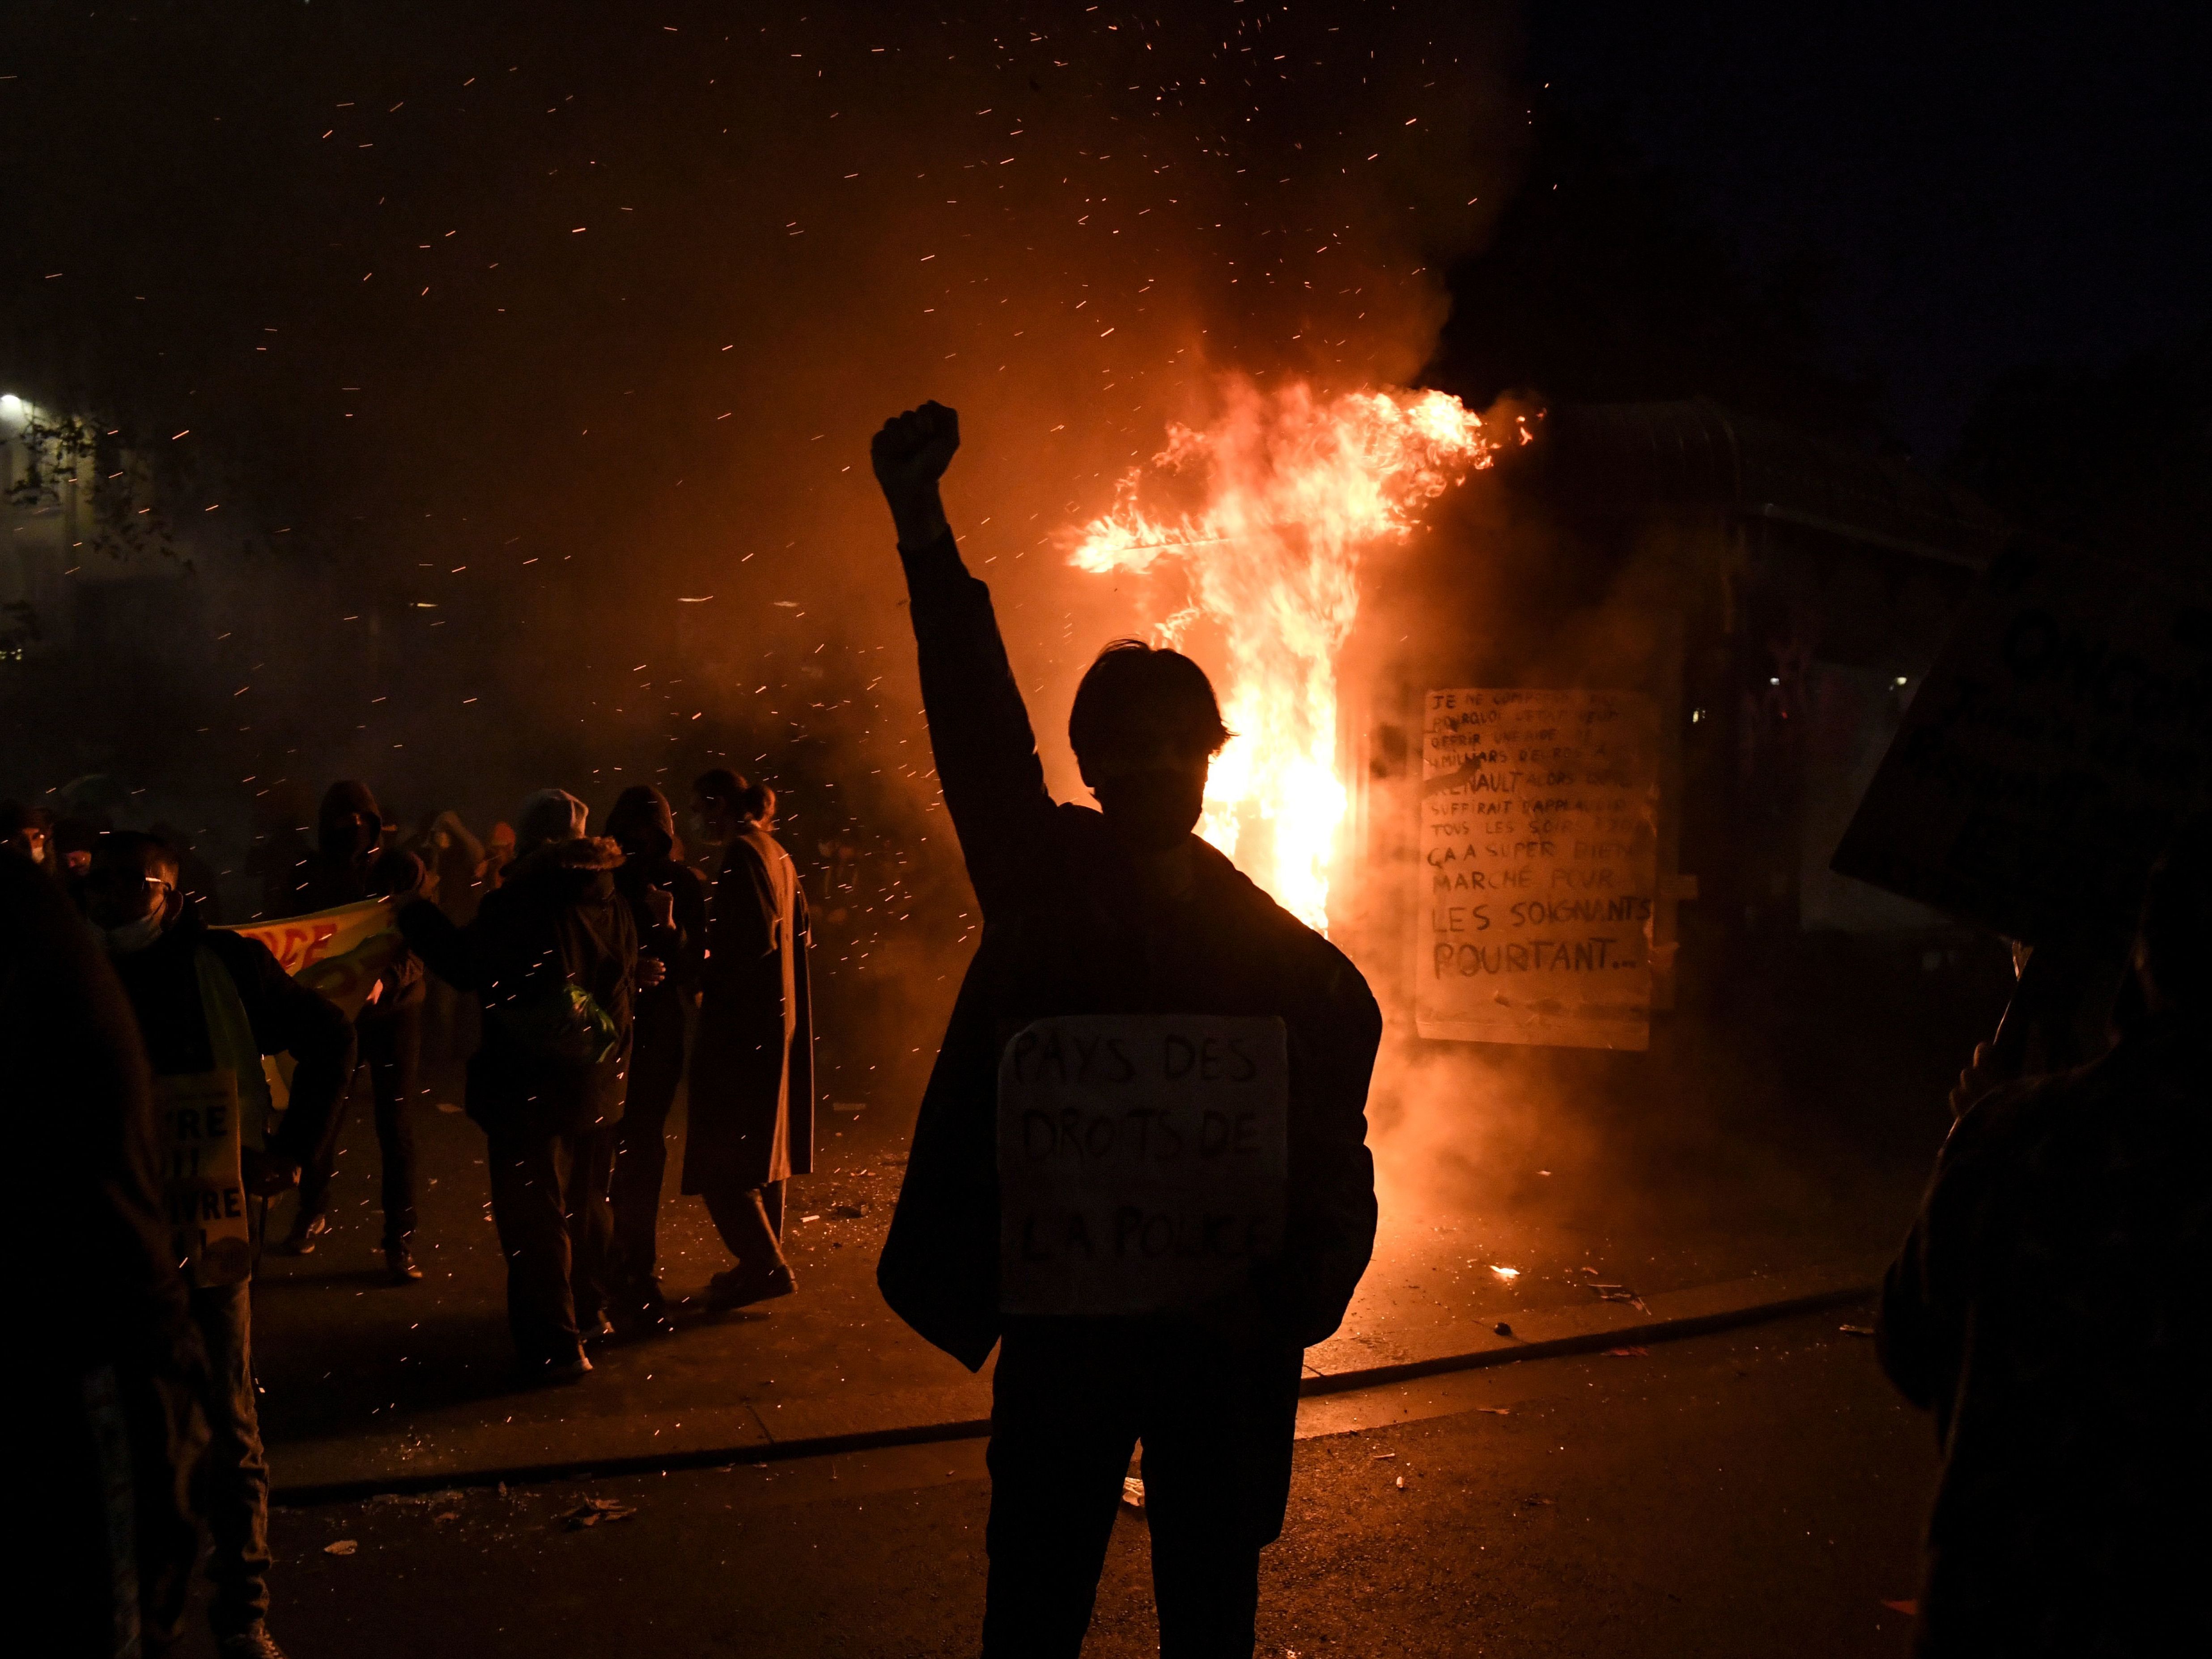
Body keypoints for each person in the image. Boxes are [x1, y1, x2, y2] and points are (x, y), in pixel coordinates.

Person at [870, 402, 1382, 1658]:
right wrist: (923, 530)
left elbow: (1333, 1155)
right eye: (1126, 751)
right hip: (1068, 1342)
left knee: (1209, 1612)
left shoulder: (1293, 971)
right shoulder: (1046, 886)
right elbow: (980, 735)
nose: (1154, 769)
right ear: (1090, 768)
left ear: (1212, 764)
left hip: (1220, 1350)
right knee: (1035, 1604)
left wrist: (1297, 1291)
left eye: (1176, 748)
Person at [1880, 814, 2211, 1655]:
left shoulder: (2015, 1134)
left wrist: (1988, 1130)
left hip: (1996, 1607)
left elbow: (1911, 1347)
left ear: (2145, 955)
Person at [85, 830, 355, 1659]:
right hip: (109, 1237)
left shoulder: (225, 966)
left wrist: (294, 1149)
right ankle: (135, 1614)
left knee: (229, 1420)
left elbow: (330, 1035)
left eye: (139, 883)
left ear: (172, 892)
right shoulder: (74, 974)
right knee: (120, 1433)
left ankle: (243, 1613)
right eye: (108, 883)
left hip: (208, 1234)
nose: (120, 897)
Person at [9, 840, 209, 1657]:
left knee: (105, 1623)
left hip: (93, 1342)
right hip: (76, 1338)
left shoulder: (28, 942)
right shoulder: (43, 936)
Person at [400, 789, 647, 1379]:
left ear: (536, 843)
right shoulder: (612, 900)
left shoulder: (521, 904)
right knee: (588, 1205)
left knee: (533, 1214)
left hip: (527, 1084)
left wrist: (413, 911)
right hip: (598, 1078)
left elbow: (464, 965)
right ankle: (591, 1315)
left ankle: (553, 1344)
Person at [282, 779, 427, 1278]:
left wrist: (386, 981)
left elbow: (418, 940)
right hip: (333, 1014)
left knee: (396, 1125)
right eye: (340, 827)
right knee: (323, 1116)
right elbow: (294, 934)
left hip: (394, 1014)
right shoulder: (312, 872)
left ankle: (399, 1239)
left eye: (358, 824)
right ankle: (311, 1210)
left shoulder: (401, 868)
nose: (351, 834)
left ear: (373, 823)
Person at [686, 767, 814, 1310]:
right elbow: (803, 931)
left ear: (717, 804)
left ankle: (766, 1264)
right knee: (766, 1151)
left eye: (699, 808)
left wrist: (691, 955)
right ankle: (761, 1263)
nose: (697, 820)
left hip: (744, 1029)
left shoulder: (742, 854)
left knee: (724, 1155)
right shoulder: (778, 852)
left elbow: (748, 942)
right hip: (777, 1024)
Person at [603, 784, 708, 1327]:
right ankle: (603, 1266)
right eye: (630, 830)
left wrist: (668, 931)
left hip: (658, 1034)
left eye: (650, 830)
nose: (639, 840)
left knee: (642, 1146)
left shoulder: (683, 883)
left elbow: (695, 971)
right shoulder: (600, 880)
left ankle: (638, 1269)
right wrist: (625, 971)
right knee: (598, 1147)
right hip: (605, 1032)